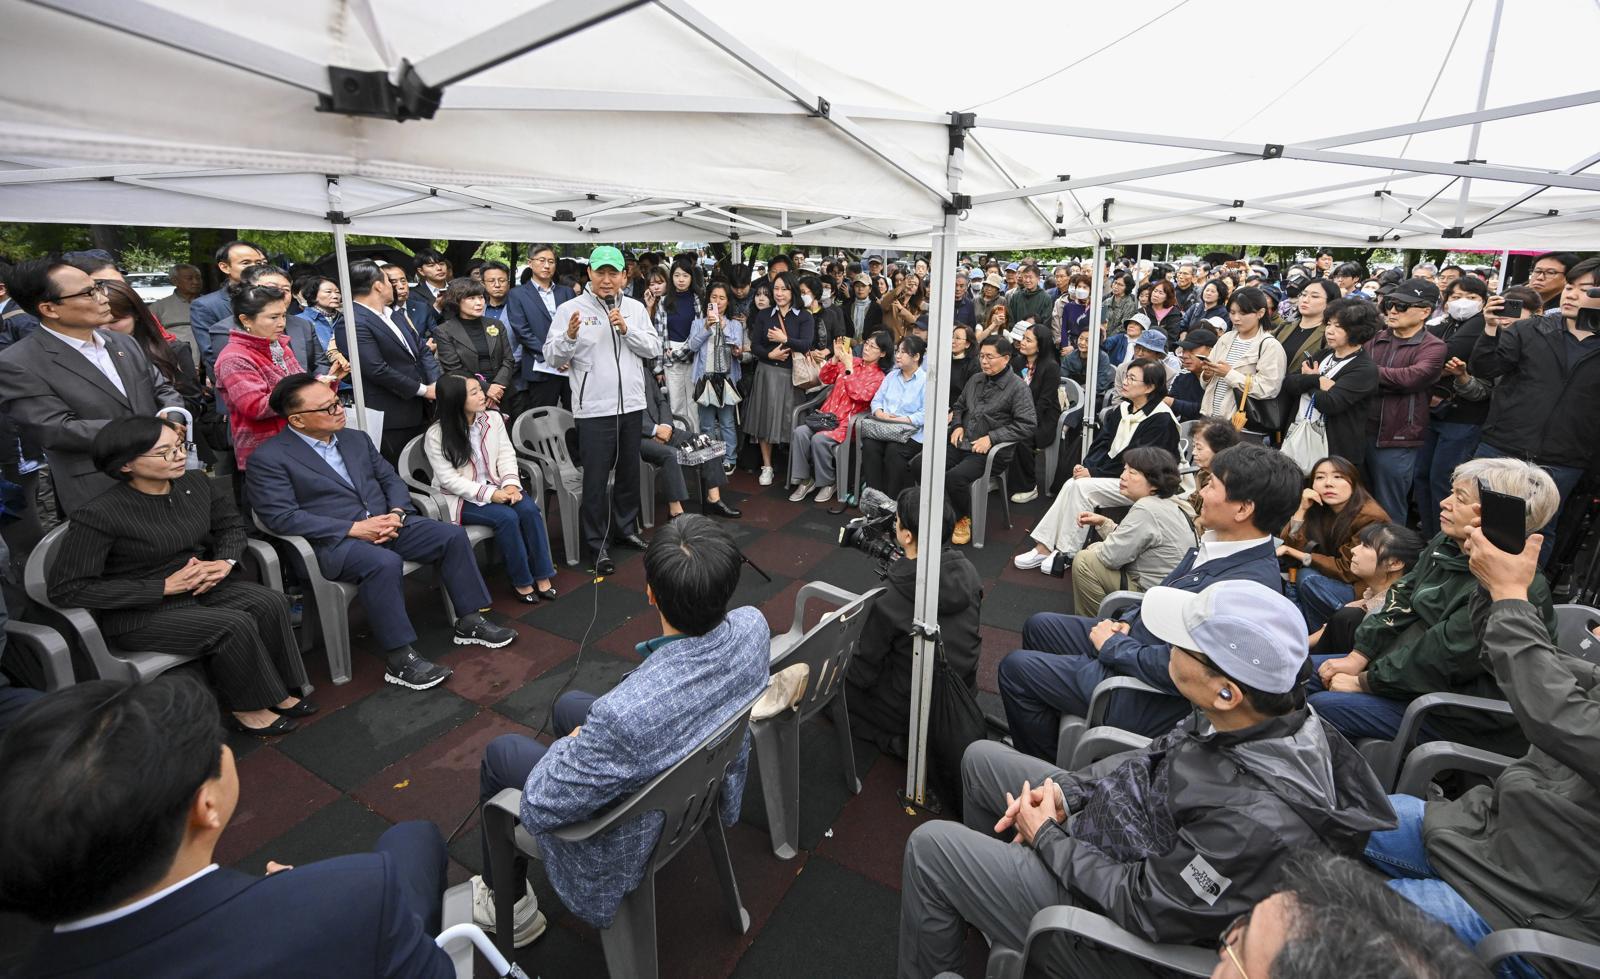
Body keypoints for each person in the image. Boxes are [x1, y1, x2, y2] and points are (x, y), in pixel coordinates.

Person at [900, 579, 1395, 979]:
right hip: (1113, 838)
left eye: (1181, 644)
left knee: (930, 849)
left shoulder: (1257, 820)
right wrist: (1070, 795)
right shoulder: (1246, 716)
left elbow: (1147, 908)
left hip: (1116, 922)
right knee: (981, 759)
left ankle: (981, 907)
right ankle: (989, 905)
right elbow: (1147, 761)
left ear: (1227, 691)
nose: (1165, 647)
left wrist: (1047, 838)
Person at [0, 673, 454, 978]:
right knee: (411, 837)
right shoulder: (354, 896)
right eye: (216, 745)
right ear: (205, 806)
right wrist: (296, 899)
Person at [471, 516, 769, 940]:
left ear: (650, 594)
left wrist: (573, 747)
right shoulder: (753, 626)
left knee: (502, 755)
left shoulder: (623, 717)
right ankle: (592, 775)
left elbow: (538, 804)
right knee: (570, 706)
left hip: (636, 830)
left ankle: (511, 905)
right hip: (699, 777)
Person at [1360, 520, 1600, 974]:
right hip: (1488, 834)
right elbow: (1527, 663)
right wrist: (1490, 587)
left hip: (1534, 908)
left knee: (1332, 925)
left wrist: (1511, 596)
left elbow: (1560, 716)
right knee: (1325, 813)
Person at [999, 443, 1300, 754]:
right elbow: (1161, 597)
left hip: (1144, 692)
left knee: (1015, 669)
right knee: (1040, 626)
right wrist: (1126, 623)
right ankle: (1045, 732)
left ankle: (1045, 771)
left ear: (1242, 509)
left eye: (1212, 484)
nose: (1201, 493)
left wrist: (1116, 646)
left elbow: (1190, 672)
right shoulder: (1217, 546)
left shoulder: (1246, 589)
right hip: (1138, 645)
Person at [247, 373, 516, 691]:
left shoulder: (354, 438)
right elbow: (281, 516)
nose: (338, 410)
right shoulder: (269, 458)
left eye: (337, 402)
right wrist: (354, 528)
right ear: (297, 420)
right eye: (327, 408)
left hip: (389, 522)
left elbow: (390, 480)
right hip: (336, 541)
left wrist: (397, 513)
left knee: (452, 536)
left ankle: (469, 619)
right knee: (382, 563)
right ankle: (400, 658)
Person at [48, 417, 311, 734]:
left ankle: (280, 690)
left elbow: (229, 526)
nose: (179, 456)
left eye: (179, 447)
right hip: (140, 611)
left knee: (269, 602)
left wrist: (224, 561)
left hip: (199, 586)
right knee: (233, 625)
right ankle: (248, 706)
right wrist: (161, 587)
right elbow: (68, 589)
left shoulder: (196, 483)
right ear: (127, 464)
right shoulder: (99, 515)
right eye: (164, 452)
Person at [1309, 457, 1559, 756]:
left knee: (1322, 706)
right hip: (1404, 674)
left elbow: (1441, 656)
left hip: (1459, 710)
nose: (1444, 502)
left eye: (1460, 498)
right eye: (1451, 492)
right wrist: (1358, 655)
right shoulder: (1448, 544)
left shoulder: (1508, 582)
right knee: (1296, 670)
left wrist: (1365, 682)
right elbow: (1403, 591)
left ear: (1492, 514)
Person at [0, 257, 185, 516]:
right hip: (99, 487)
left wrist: (174, 415)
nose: (103, 297)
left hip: (165, 480)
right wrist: (145, 433)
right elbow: (56, 429)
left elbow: (162, 389)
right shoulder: (18, 362)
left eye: (99, 286)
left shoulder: (122, 343)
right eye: (89, 292)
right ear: (50, 309)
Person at [1471, 256, 1600, 566]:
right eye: (1569, 286)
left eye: (1585, 289)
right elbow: (1486, 368)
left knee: (1538, 532)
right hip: (1502, 446)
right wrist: (1489, 330)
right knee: (1476, 518)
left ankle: (1519, 600)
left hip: (1564, 459)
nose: (1570, 294)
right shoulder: (1532, 329)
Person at [544, 245, 662, 574]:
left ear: (625, 276)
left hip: (632, 405)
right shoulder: (570, 309)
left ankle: (626, 529)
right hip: (593, 408)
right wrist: (568, 337)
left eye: (614, 273)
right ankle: (597, 544)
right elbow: (552, 356)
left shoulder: (637, 309)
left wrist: (627, 329)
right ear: (590, 275)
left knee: (629, 471)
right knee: (595, 479)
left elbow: (652, 347)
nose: (607, 280)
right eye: (600, 272)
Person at [847, 488, 981, 759]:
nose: (894, 526)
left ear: (906, 535)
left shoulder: (891, 597)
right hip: (963, 690)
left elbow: (862, 673)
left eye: (896, 521)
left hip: (914, 707)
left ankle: (899, 744)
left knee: (838, 691)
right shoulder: (969, 572)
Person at [1015, 361, 1179, 571]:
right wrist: (1088, 467)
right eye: (1126, 376)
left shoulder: (1161, 419)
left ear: (1150, 387)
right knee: (1073, 484)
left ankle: (1066, 552)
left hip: (1148, 484)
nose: (1124, 382)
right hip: (1119, 475)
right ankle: (1043, 547)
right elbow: (1101, 443)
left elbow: (1140, 462)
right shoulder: (1123, 409)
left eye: (1132, 379)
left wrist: (1093, 473)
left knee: (1082, 488)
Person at [425, 373, 558, 605]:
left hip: (498, 486)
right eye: (474, 392)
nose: (482, 395)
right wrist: (491, 495)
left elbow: (506, 454)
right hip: (460, 498)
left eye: (480, 389)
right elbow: (449, 480)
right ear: (456, 399)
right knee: (506, 517)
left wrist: (509, 484)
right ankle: (522, 581)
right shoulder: (436, 435)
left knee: (528, 510)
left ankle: (543, 574)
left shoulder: (492, 419)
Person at [214, 280, 346, 474]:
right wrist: (313, 386)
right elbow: (256, 407)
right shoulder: (234, 357)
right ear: (246, 320)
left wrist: (329, 380)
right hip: (265, 451)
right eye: (273, 317)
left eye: (283, 315)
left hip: (299, 443)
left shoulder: (279, 346)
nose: (282, 323)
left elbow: (301, 387)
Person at [1067, 447, 1197, 617]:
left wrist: (1094, 548)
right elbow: (1134, 541)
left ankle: (1093, 627)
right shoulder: (1174, 503)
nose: (1123, 476)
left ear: (1154, 483)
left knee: (1085, 561)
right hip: (1173, 593)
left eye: (1132, 472)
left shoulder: (1147, 508)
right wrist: (1104, 523)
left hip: (1152, 598)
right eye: (1125, 469)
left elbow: (1110, 557)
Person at [1365, 278, 1447, 525]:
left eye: (1402, 306)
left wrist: (1366, 372)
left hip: (1397, 438)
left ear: (1425, 312)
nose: (1392, 310)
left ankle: (1392, 559)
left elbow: (1411, 378)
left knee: (1389, 508)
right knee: (1359, 502)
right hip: (1360, 430)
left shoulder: (1434, 346)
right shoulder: (1375, 338)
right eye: (1390, 303)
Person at [1414, 274, 1490, 539]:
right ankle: (1429, 534)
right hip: (1432, 413)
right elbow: (1423, 356)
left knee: (1443, 480)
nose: (1463, 303)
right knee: (1421, 475)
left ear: (1484, 301)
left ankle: (1444, 538)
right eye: (1456, 297)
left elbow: (1441, 356)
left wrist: (1432, 367)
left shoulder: (1483, 326)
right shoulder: (1441, 325)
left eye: (1471, 298)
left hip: (1463, 418)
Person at [1279, 456, 1391, 630]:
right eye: (1320, 477)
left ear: (1354, 483)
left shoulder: (1370, 517)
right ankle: (1318, 637)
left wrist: (1299, 554)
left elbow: (1348, 568)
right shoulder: (1317, 508)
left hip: (1363, 590)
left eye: (1338, 477)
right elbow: (1289, 550)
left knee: (1308, 579)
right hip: (1337, 581)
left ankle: (1327, 636)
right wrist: (1301, 510)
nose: (1328, 483)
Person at [345, 259, 440, 464]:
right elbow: (376, 369)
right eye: (389, 281)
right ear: (378, 285)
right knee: (401, 470)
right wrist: (423, 389)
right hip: (390, 414)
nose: (394, 286)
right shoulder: (353, 321)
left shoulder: (393, 314)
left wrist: (434, 383)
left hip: (421, 408)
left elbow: (421, 349)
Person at [945, 333, 1035, 545]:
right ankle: (941, 511)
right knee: (923, 463)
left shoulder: (1018, 388)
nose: (984, 361)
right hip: (964, 441)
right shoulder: (976, 379)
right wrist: (957, 425)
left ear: (1005, 359)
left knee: (954, 478)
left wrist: (993, 438)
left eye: (989, 357)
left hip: (991, 452)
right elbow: (958, 406)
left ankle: (961, 518)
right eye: (981, 356)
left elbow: (1028, 424)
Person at [1280, 296, 1380, 474]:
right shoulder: (1324, 354)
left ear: (1358, 330)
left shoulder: (1364, 368)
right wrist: (1316, 380)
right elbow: (1289, 383)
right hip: (1298, 438)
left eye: (1339, 327)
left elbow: (1331, 403)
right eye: (1329, 324)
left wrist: (1309, 380)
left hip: (1335, 449)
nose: (1330, 331)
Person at [789, 331, 889, 504]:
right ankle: (805, 480)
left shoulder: (879, 376)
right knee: (800, 433)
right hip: (826, 417)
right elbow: (825, 378)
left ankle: (828, 482)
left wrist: (849, 368)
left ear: (882, 353)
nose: (867, 348)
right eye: (867, 343)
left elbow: (860, 396)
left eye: (873, 346)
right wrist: (835, 359)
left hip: (847, 424)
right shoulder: (853, 361)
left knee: (819, 440)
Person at [639, 359, 742, 519]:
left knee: (706, 441)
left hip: (665, 430)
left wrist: (666, 425)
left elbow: (661, 402)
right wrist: (654, 430)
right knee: (671, 454)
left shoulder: (644, 372)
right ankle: (675, 512)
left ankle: (713, 500)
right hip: (639, 438)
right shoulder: (616, 380)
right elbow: (623, 417)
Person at [1310, 522, 1424, 657]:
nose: (1354, 550)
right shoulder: (1370, 598)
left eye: (1366, 546)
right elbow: (1327, 629)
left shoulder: (1381, 616)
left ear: (1395, 563)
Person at [744, 270, 815, 487]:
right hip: (766, 372)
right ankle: (767, 466)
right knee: (764, 421)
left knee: (792, 422)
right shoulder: (764, 315)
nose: (779, 293)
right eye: (776, 288)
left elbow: (806, 344)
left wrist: (785, 339)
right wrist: (769, 354)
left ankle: (797, 468)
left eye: (784, 289)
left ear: (793, 291)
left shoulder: (804, 316)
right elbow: (755, 345)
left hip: (792, 376)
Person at [1197, 286, 1288, 441]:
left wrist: (1229, 374)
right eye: (1232, 313)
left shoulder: (1269, 345)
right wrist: (1207, 374)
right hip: (1210, 417)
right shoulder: (1226, 338)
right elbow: (1207, 384)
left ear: (1260, 313)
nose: (1236, 318)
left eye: (1243, 313)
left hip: (1241, 424)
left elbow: (1269, 388)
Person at [505, 244, 577, 411]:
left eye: (551, 261)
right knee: (543, 417)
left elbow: (575, 326)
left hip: (570, 365)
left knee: (574, 413)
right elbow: (522, 332)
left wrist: (564, 356)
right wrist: (553, 357)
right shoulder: (517, 294)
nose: (547, 266)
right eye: (542, 261)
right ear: (530, 263)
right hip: (540, 366)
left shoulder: (566, 292)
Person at [860, 335, 928, 503]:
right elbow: (876, 400)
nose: (897, 355)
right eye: (897, 351)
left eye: (903, 352)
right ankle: (874, 499)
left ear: (916, 357)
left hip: (911, 432)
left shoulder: (925, 381)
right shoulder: (891, 376)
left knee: (894, 451)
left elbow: (925, 414)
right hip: (885, 427)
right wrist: (880, 413)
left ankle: (891, 503)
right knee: (870, 445)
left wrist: (902, 420)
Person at [431, 277, 515, 412]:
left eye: (481, 297)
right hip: (469, 393)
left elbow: (508, 359)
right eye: (471, 298)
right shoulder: (444, 331)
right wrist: (486, 388)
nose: (479, 303)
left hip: (501, 392)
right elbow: (453, 369)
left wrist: (497, 386)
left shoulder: (496, 325)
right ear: (456, 301)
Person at [686, 280, 743, 473]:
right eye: (714, 297)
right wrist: (707, 327)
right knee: (706, 423)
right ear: (708, 299)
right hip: (704, 378)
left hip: (726, 379)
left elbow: (738, 350)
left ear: (728, 301)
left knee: (727, 422)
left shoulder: (735, 324)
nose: (718, 302)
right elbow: (692, 347)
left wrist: (735, 348)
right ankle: (711, 457)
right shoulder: (698, 323)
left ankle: (730, 458)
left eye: (722, 298)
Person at [188, 239, 266, 373]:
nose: (255, 268)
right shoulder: (205, 306)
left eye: (259, 263)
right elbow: (212, 354)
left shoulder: (273, 297)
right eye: (246, 263)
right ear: (225, 267)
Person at [1006, 322, 1061, 504]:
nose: (1022, 342)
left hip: (1043, 417)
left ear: (1040, 345)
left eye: (1028, 340)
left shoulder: (1050, 367)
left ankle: (1029, 487)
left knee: (1021, 437)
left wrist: (1024, 421)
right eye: (1023, 338)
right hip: (1017, 413)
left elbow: (1044, 402)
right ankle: (997, 476)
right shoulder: (1017, 362)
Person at [658, 262, 703, 430]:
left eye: (685, 276)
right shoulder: (664, 301)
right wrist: (659, 366)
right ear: (671, 278)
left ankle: (696, 439)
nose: (681, 280)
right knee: (675, 403)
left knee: (693, 401)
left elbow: (700, 332)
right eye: (677, 276)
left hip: (693, 354)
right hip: (670, 355)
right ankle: (680, 442)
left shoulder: (698, 300)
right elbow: (659, 334)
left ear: (692, 278)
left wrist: (678, 353)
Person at [1275, 277, 1339, 370]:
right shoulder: (1284, 327)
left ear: (1330, 302)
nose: (1305, 300)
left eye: (1315, 296)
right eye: (1303, 294)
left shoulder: (1330, 334)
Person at [149, 263, 204, 365]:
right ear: (175, 281)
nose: (195, 282)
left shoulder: (210, 303)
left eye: (198, 278)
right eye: (189, 278)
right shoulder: (159, 307)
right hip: (177, 363)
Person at [1166, 325, 1219, 421]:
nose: (1185, 355)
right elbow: (1170, 407)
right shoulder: (1182, 376)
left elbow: (1210, 411)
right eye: (1184, 350)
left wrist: (1173, 403)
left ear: (1211, 351)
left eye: (1191, 350)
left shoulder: (1221, 377)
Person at [1061, 326, 1113, 396]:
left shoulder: (1103, 358)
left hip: (1094, 395)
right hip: (1072, 393)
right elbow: (1063, 378)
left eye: (1087, 340)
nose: (1082, 343)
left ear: (1096, 342)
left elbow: (1100, 384)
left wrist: (1080, 391)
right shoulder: (1070, 357)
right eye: (1081, 338)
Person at [1005, 264, 1053, 336]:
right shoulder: (1016, 296)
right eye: (1025, 277)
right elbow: (1011, 319)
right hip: (1016, 336)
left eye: (1030, 277)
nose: (1027, 280)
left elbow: (1046, 322)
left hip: (1036, 338)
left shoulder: (1046, 298)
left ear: (1038, 279)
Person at [879, 272, 925, 341]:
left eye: (915, 284)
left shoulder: (916, 307)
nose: (911, 286)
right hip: (889, 344)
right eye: (909, 282)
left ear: (917, 290)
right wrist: (902, 286)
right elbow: (883, 304)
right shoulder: (892, 299)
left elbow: (915, 322)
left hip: (905, 347)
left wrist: (901, 309)